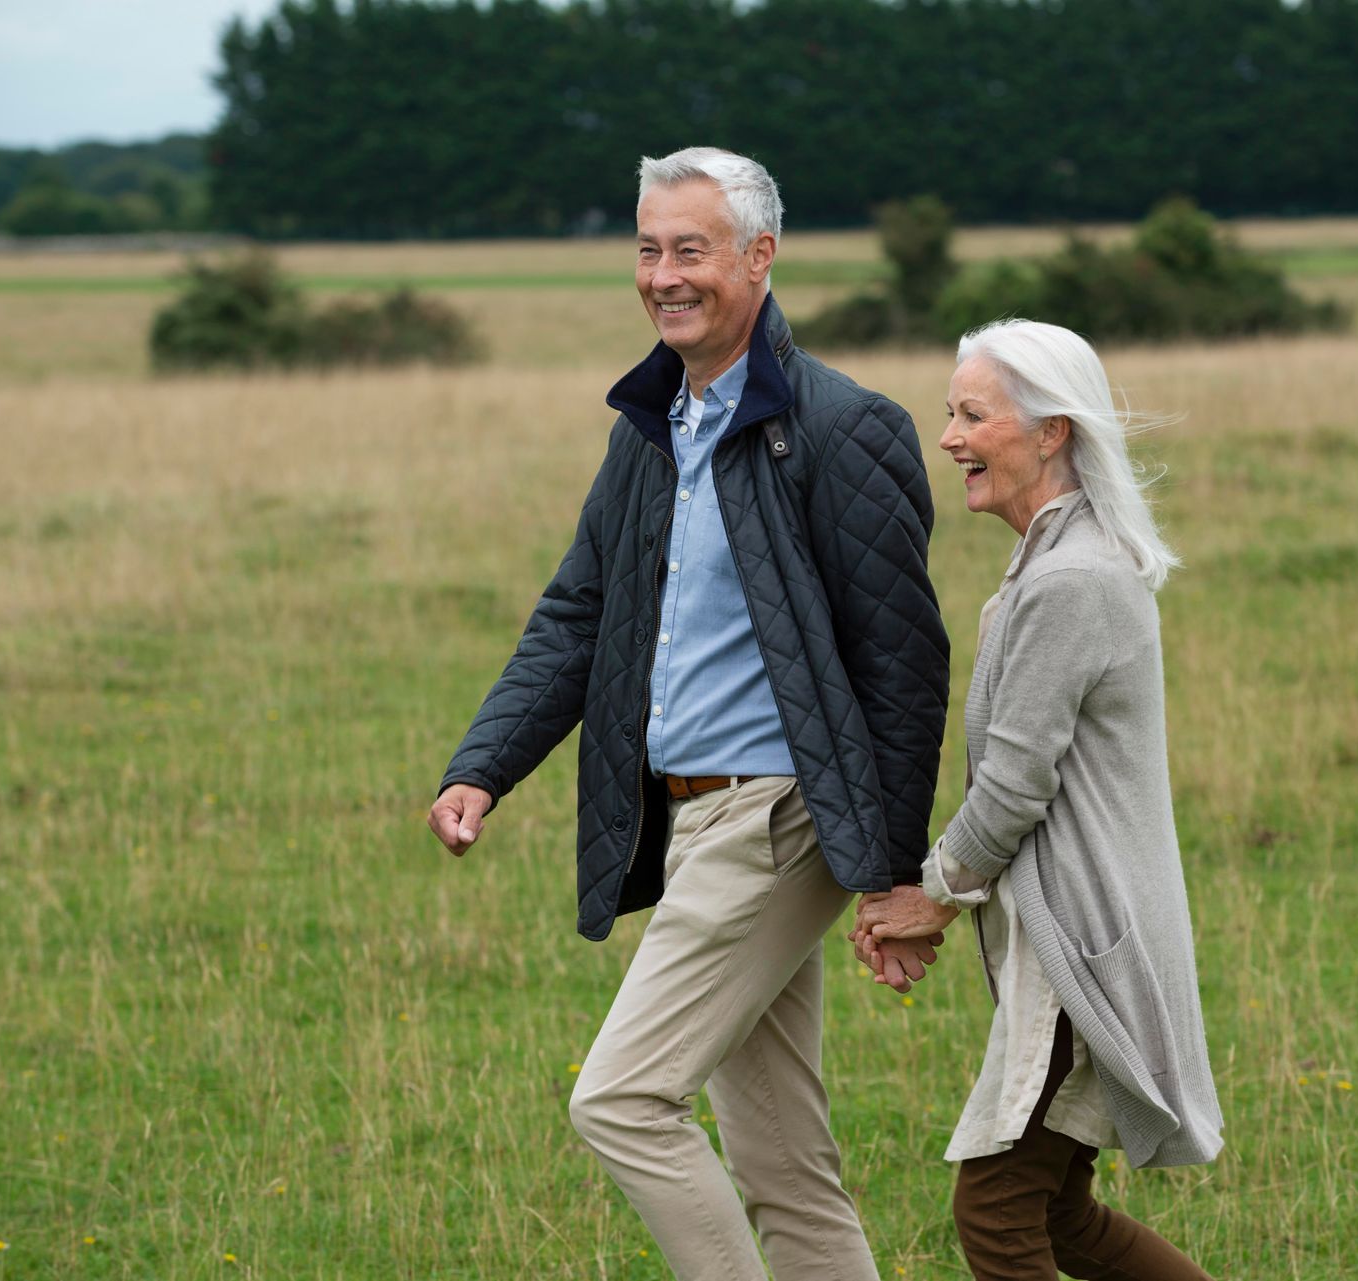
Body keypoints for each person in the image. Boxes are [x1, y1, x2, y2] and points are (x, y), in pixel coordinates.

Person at [427, 146, 949, 1280]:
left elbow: (903, 667)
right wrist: (483, 766)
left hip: (777, 820)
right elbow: (578, 614)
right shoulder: (650, 428)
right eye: (650, 249)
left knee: (620, 1102)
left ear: (760, 260)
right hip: (693, 821)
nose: (666, 275)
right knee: (783, 1162)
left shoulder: (841, 427)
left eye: (692, 251)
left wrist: (895, 871)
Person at [852, 320, 1222, 1281]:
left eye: (974, 415)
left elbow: (1015, 784)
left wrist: (931, 895)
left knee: (1000, 1210)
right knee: (1059, 1212)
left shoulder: (1072, 579)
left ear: (1052, 431)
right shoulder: (1056, 563)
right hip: (1076, 935)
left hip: (1083, 945)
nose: (950, 438)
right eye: (950, 414)